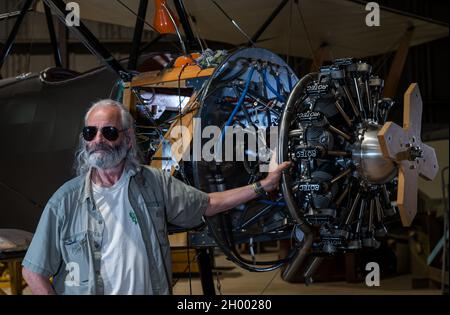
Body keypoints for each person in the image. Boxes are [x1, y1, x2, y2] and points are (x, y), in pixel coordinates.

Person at [21, 99, 290, 295]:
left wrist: (263, 185)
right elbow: (33, 271)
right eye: (91, 132)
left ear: (127, 140)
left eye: (109, 132)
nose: (98, 139)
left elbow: (208, 204)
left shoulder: (153, 183)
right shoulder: (65, 201)